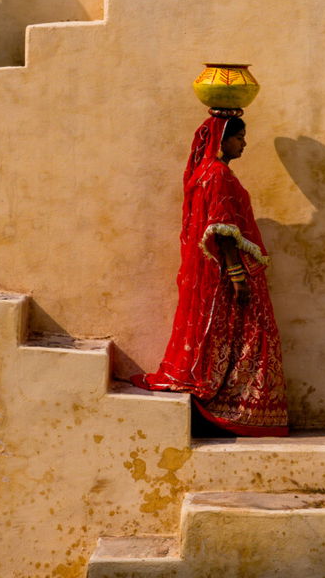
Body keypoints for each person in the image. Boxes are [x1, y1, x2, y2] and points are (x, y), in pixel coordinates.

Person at [133, 114, 289, 436]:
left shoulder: (209, 173)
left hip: (219, 274)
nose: (244, 143)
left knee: (231, 338)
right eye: (240, 137)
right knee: (250, 337)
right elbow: (222, 230)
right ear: (222, 140)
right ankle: (234, 410)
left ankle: (227, 407)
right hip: (231, 274)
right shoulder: (217, 175)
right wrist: (237, 275)